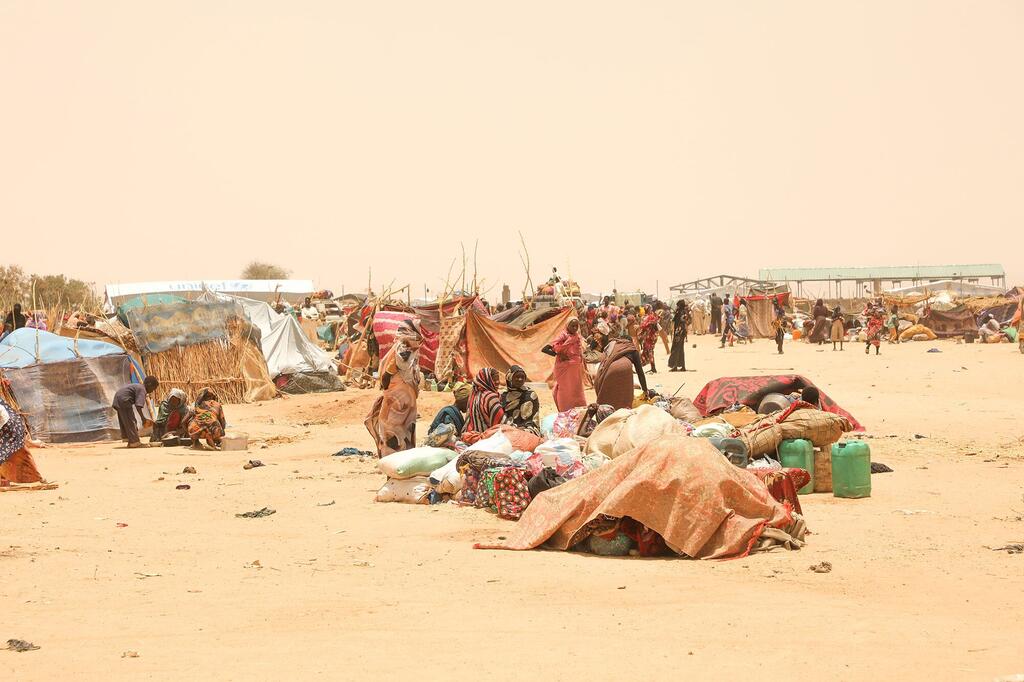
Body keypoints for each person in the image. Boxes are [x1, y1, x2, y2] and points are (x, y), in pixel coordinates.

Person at [365, 319, 422, 456]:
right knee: (406, 428)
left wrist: (385, 378)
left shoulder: (402, 347)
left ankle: (391, 462)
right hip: (409, 398)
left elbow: (392, 368)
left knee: (390, 429)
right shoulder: (414, 348)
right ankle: (405, 463)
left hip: (396, 397)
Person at [594, 338, 650, 410]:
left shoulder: (612, 346)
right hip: (624, 367)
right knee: (624, 401)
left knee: (607, 398)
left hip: (607, 370)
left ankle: (606, 413)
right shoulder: (632, 349)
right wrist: (645, 390)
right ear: (630, 342)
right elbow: (640, 373)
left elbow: (603, 361)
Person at [0, 396, 44, 484]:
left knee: (18, 455)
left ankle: (33, 478)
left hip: (8, 426)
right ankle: (4, 479)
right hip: (8, 426)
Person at [112, 376, 159, 448]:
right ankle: (135, 443)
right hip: (124, 400)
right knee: (131, 421)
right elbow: (138, 406)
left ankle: (130, 440)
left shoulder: (138, 387)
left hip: (119, 399)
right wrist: (143, 419)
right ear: (149, 384)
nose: (152, 391)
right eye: (153, 388)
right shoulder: (142, 389)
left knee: (126, 421)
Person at [551, 319, 587, 411]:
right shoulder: (563, 335)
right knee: (565, 389)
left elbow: (579, 351)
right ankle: (564, 409)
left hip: (575, 367)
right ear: (567, 325)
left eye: (576, 326)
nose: (575, 328)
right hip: (564, 367)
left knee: (576, 388)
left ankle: (578, 407)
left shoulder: (577, 336)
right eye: (572, 326)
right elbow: (555, 345)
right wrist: (561, 353)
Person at [501, 365, 541, 434]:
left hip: (527, 428)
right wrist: (511, 427)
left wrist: (522, 428)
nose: (520, 379)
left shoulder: (531, 395)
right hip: (508, 428)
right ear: (510, 378)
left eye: (522, 377)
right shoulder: (502, 396)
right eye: (517, 377)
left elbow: (534, 420)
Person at [466, 367, 505, 432]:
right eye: (494, 380)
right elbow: (501, 421)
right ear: (487, 380)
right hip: (486, 436)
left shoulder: (474, 394)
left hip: (470, 433)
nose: (497, 382)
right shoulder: (490, 397)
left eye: (498, 379)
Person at [668, 299, 690, 372]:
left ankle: (675, 366)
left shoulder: (679, 312)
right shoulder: (684, 312)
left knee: (676, 349)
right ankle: (682, 366)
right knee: (680, 349)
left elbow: (674, 320)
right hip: (683, 332)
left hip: (678, 332)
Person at [637, 308, 660, 373]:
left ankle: (652, 367)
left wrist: (640, 335)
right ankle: (652, 367)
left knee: (649, 352)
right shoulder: (653, 317)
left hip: (649, 337)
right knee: (649, 352)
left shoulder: (646, 318)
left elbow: (643, 327)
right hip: (651, 337)